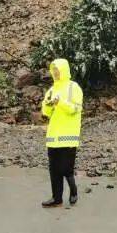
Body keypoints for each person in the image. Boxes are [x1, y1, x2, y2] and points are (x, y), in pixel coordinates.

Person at [40, 58, 83, 208]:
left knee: (66, 168)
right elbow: (45, 113)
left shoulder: (74, 87)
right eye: (54, 71)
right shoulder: (52, 89)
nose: (56, 74)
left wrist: (60, 102)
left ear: (64, 70)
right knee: (54, 170)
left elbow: (75, 109)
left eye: (58, 71)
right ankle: (56, 198)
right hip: (53, 135)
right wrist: (47, 104)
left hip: (69, 134)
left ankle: (73, 190)